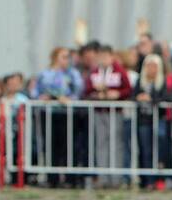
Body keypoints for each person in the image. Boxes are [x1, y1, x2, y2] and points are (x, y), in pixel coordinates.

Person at [35, 47, 84, 187]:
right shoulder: (45, 74)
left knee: (69, 146)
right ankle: (52, 178)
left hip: (67, 114)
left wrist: (69, 99)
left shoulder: (73, 74)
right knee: (51, 145)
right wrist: (42, 97)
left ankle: (70, 178)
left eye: (68, 56)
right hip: (49, 113)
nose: (66, 59)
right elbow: (36, 91)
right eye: (63, 56)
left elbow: (79, 90)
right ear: (55, 57)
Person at [84, 43, 132, 184]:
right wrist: (95, 93)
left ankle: (116, 177)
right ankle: (103, 176)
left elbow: (127, 89)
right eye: (101, 56)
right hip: (100, 111)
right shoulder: (94, 72)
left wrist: (117, 94)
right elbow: (86, 91)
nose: (103, 59)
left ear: (111, 57)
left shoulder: (119, 71)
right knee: (101, 143)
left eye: (106, 56)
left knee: (116, 143)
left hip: (115, 111)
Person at [134, 54, 170, 189]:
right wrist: (139, 97)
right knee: (146, 150)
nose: (151, 69)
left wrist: (151, 98)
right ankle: (147, 180)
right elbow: (133, 96)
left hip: (159, 120)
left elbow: (165, 97)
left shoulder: (162, 82)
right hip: (144, 120)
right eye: (149, 66)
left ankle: (160, 179)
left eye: (154, 66)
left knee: (159, 149)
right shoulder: (140, 81)